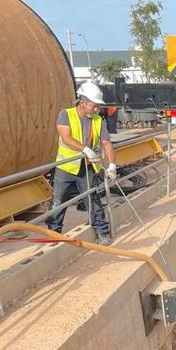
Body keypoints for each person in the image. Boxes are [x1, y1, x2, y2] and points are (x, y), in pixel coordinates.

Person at [50, 81, 117, 243]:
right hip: (66, 167)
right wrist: (85, 149)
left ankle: (102, 231)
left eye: (98, 107)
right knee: (58, 201)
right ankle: (53, 234)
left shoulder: (98, 120)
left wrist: (112, 165)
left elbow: (107, 143)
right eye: (94, 106)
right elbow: (66, 138)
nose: (97, 110)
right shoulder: (66, 114)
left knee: (92, 199)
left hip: (87, 167)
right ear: (83, 102)